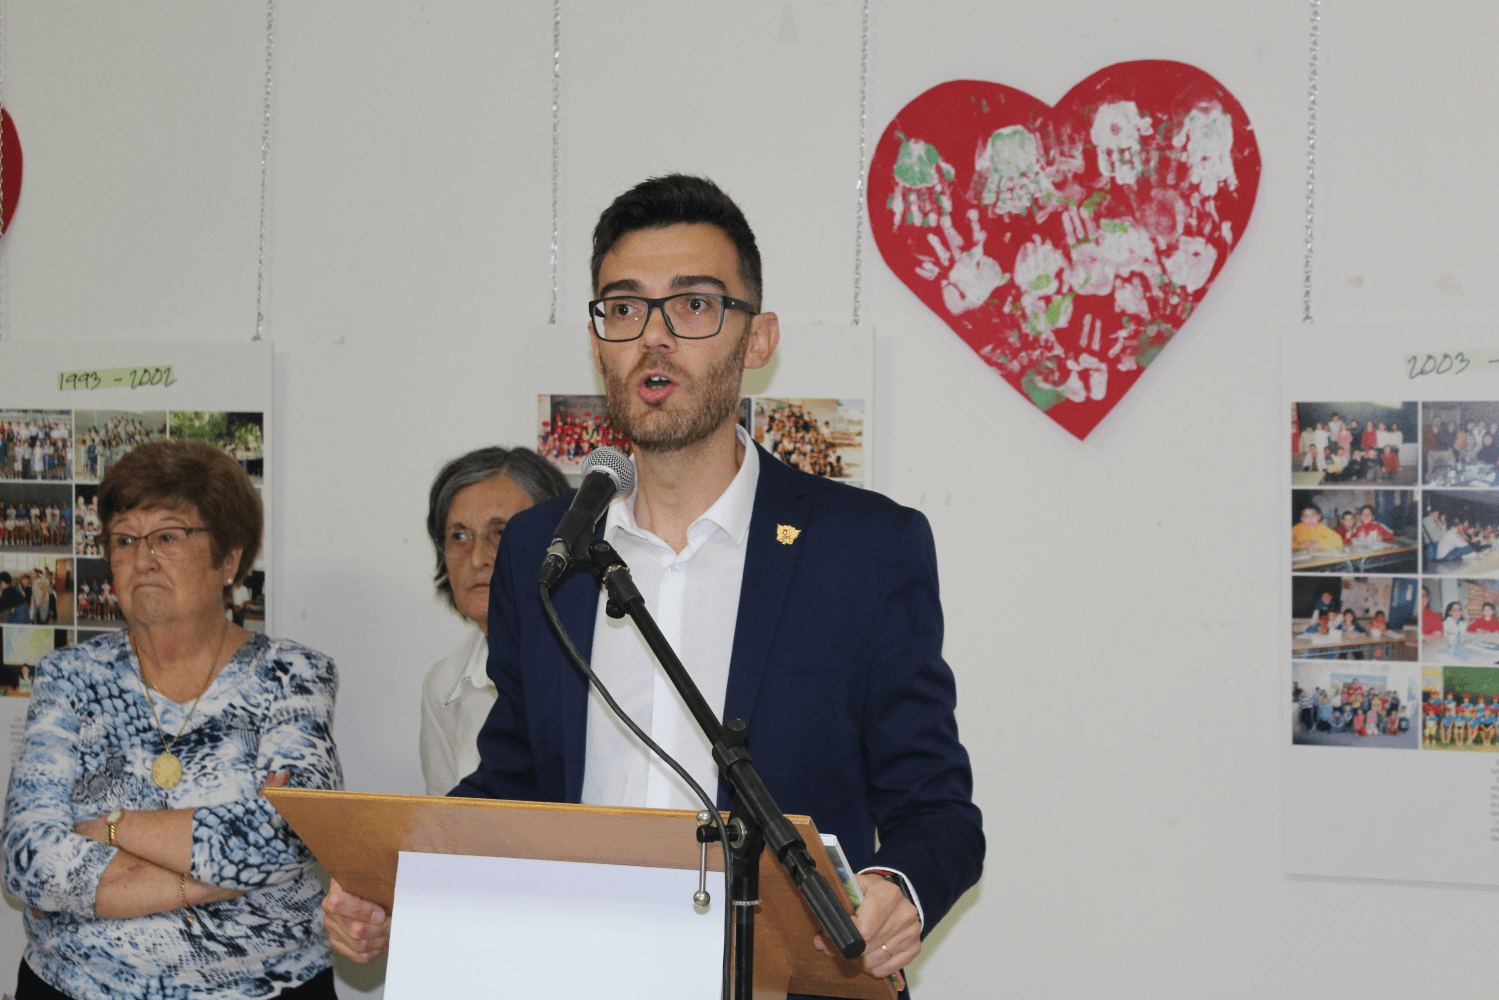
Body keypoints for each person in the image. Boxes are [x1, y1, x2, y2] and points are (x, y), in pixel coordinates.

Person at [324, 175, 985, 993]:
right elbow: (516, 780)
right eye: (625, 308)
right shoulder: (543, 546)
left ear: (757, 339)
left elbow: (935, 807)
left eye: (694, 305)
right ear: (598, 341)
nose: (655, 337)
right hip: (578, 974)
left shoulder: (864, 547)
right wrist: (401, 884)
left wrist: (897, 888)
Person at [2, 441, 341, 999]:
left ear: (229, 560)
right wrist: (212, 883)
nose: (142, 558)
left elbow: (292, 834)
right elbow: (27, 860)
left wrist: (113, 827)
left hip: (264, 987)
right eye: (124, 539)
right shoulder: (69, 677)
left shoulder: (292, 676)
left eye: (168, 536)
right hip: (77, 986)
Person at [419, 446, 568, 796]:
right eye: (459, 536)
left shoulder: (586, 662)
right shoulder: (444, 684)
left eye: (500, 533)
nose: (476, 558)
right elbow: (445, 818)